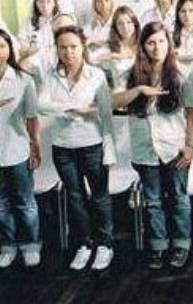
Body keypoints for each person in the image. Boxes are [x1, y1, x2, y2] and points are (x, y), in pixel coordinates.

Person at [112, 22, 193, 269]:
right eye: (151, 42)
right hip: (145, 148)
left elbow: (192, 113)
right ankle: (158, 246)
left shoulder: (182, 73)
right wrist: (139, 90)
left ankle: (181, 244)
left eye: (161, 41)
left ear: (168, 43)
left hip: (174, 146)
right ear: (143, 46)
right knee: (153, 201)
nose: (157, 47)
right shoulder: (130, 74)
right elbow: (112, 102)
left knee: (179, 198)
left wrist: (190, 146)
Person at [36, 25, 116, 270]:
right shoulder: (51, 76)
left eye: (73, 47)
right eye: (63, 47)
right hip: (62, 147)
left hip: (92, 144)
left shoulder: (97, 75)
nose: (68, 52)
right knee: (75, 197)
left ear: (82, 47)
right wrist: (70, 108)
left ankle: (105, 245)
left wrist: (109, 149)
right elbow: (40, 104)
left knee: (100, 196)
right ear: (57, 50)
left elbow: (105, 113)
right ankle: (85, 243)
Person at [0, 29, 42, 268]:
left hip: (16, 150)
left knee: (25, 202)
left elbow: (32, 118)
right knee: (1, 203)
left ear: (10, 49)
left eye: (1, 46)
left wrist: (35, 147)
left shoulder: (23, 80)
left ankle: (31, 244)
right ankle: (8, 245)